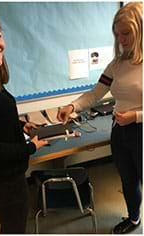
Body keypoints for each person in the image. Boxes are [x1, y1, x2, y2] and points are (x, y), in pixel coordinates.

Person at [57, 3, 142, 234]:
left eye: (127, 33)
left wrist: (135, 116)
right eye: (118, 34)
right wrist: (72, 106)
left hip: (140, 130)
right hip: (120, 131)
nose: (122, 39)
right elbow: (96, 93)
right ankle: (134, 219)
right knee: (128, 180)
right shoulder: (117, 64)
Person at [0, 7, 48, 234]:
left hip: (7, 176)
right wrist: (30, 147)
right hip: (4, 180)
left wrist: (20, 125)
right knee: (14, 228)